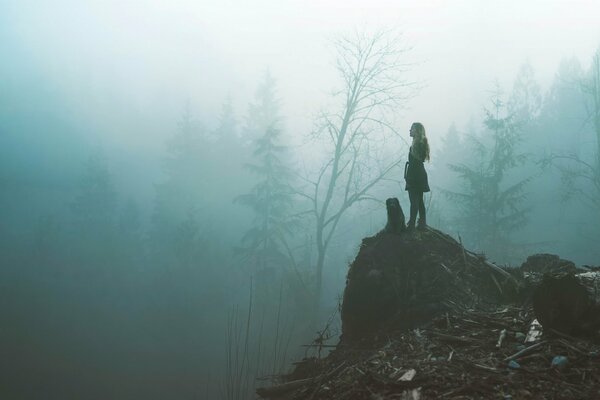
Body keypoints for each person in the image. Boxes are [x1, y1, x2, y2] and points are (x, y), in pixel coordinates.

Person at [404, 122, 430, 230]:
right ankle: (421, 223)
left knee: (414, 200)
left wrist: (409, 177)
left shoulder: (418, 144)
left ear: (417, 131)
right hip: (418, 174)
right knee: (419, 201)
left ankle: (412, 225)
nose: (410, 131)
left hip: (415, 175)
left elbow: (416, 161)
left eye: (412, 129)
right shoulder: (420, 143)